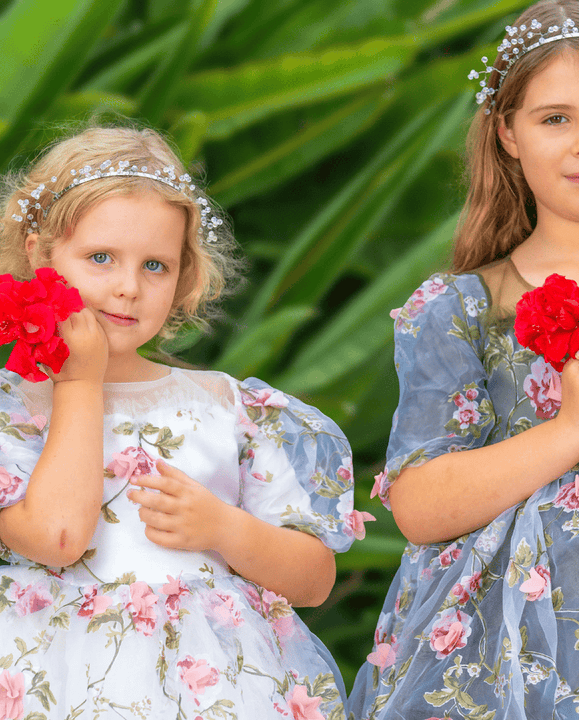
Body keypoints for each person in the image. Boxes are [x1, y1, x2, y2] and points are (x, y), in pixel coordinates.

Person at [348, 1, 579, 718]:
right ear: (508, 134)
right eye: (555, 118)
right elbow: (420, 506)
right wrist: (570, 433)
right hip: (501, 659)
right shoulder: (460, 309)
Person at [0, 126, 360, 718]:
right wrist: (79, 382)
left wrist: (224, 528)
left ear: (185, 274)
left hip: (211, 687)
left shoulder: (226, 408)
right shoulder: (15, 413)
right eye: (100, 258)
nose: (126, 287)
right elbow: (56, 540)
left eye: (156, 266)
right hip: (56, 677)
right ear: (41, 256)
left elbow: (314, 580)